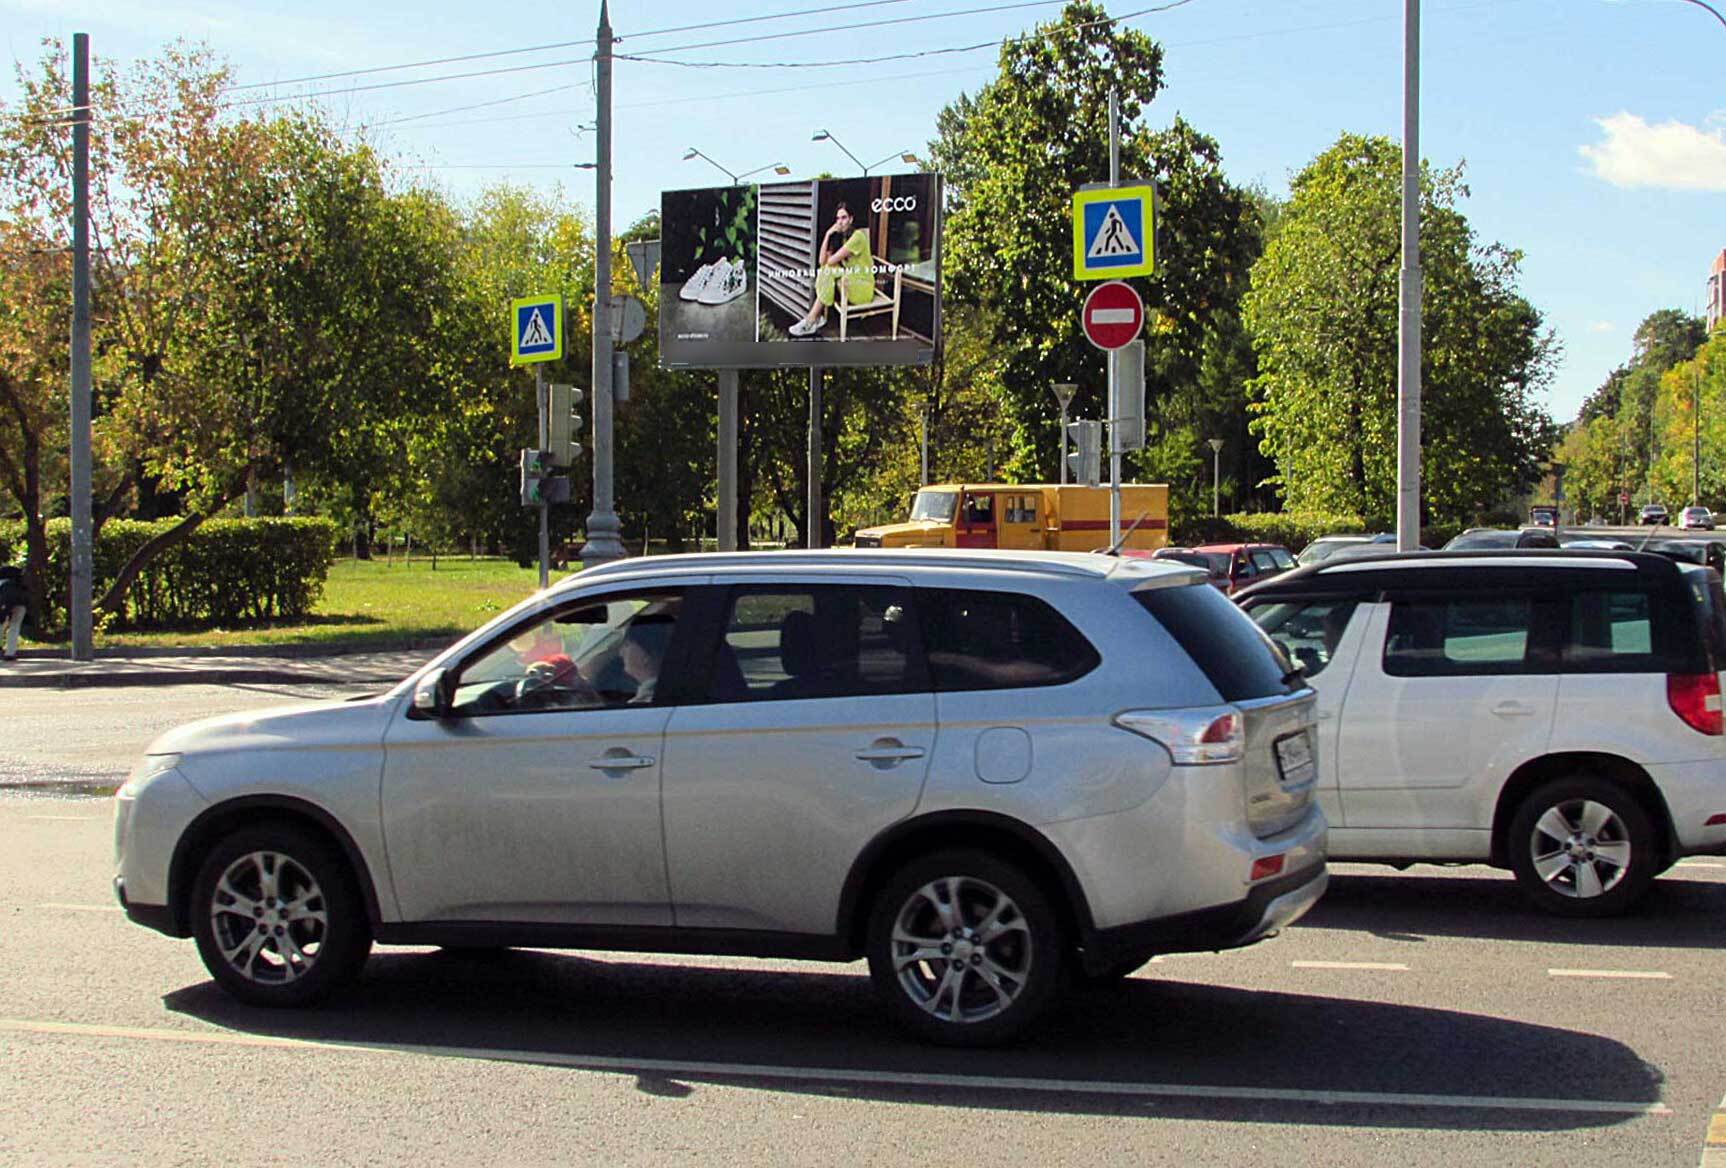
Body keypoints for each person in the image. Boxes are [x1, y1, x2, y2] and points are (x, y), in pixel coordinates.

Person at [787, 202, 875, 337]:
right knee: (825, 269)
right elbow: (822, 261)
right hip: (850, 280)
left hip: (863, 287)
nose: (840, 222)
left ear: (851, 219)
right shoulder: (842, 237)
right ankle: (815, 318)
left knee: (828, 270)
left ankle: (811, 319)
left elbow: (831, 261)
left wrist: (830, 260)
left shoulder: (858, 237)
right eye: (838, 219)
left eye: (844, 218)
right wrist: (828, 234)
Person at [0, 566, 26, 661]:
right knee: (14, 627)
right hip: (20, 604)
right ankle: (10, 653)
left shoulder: (2, 584)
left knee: (1, 625)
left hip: (4, 604)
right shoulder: (17, 583)